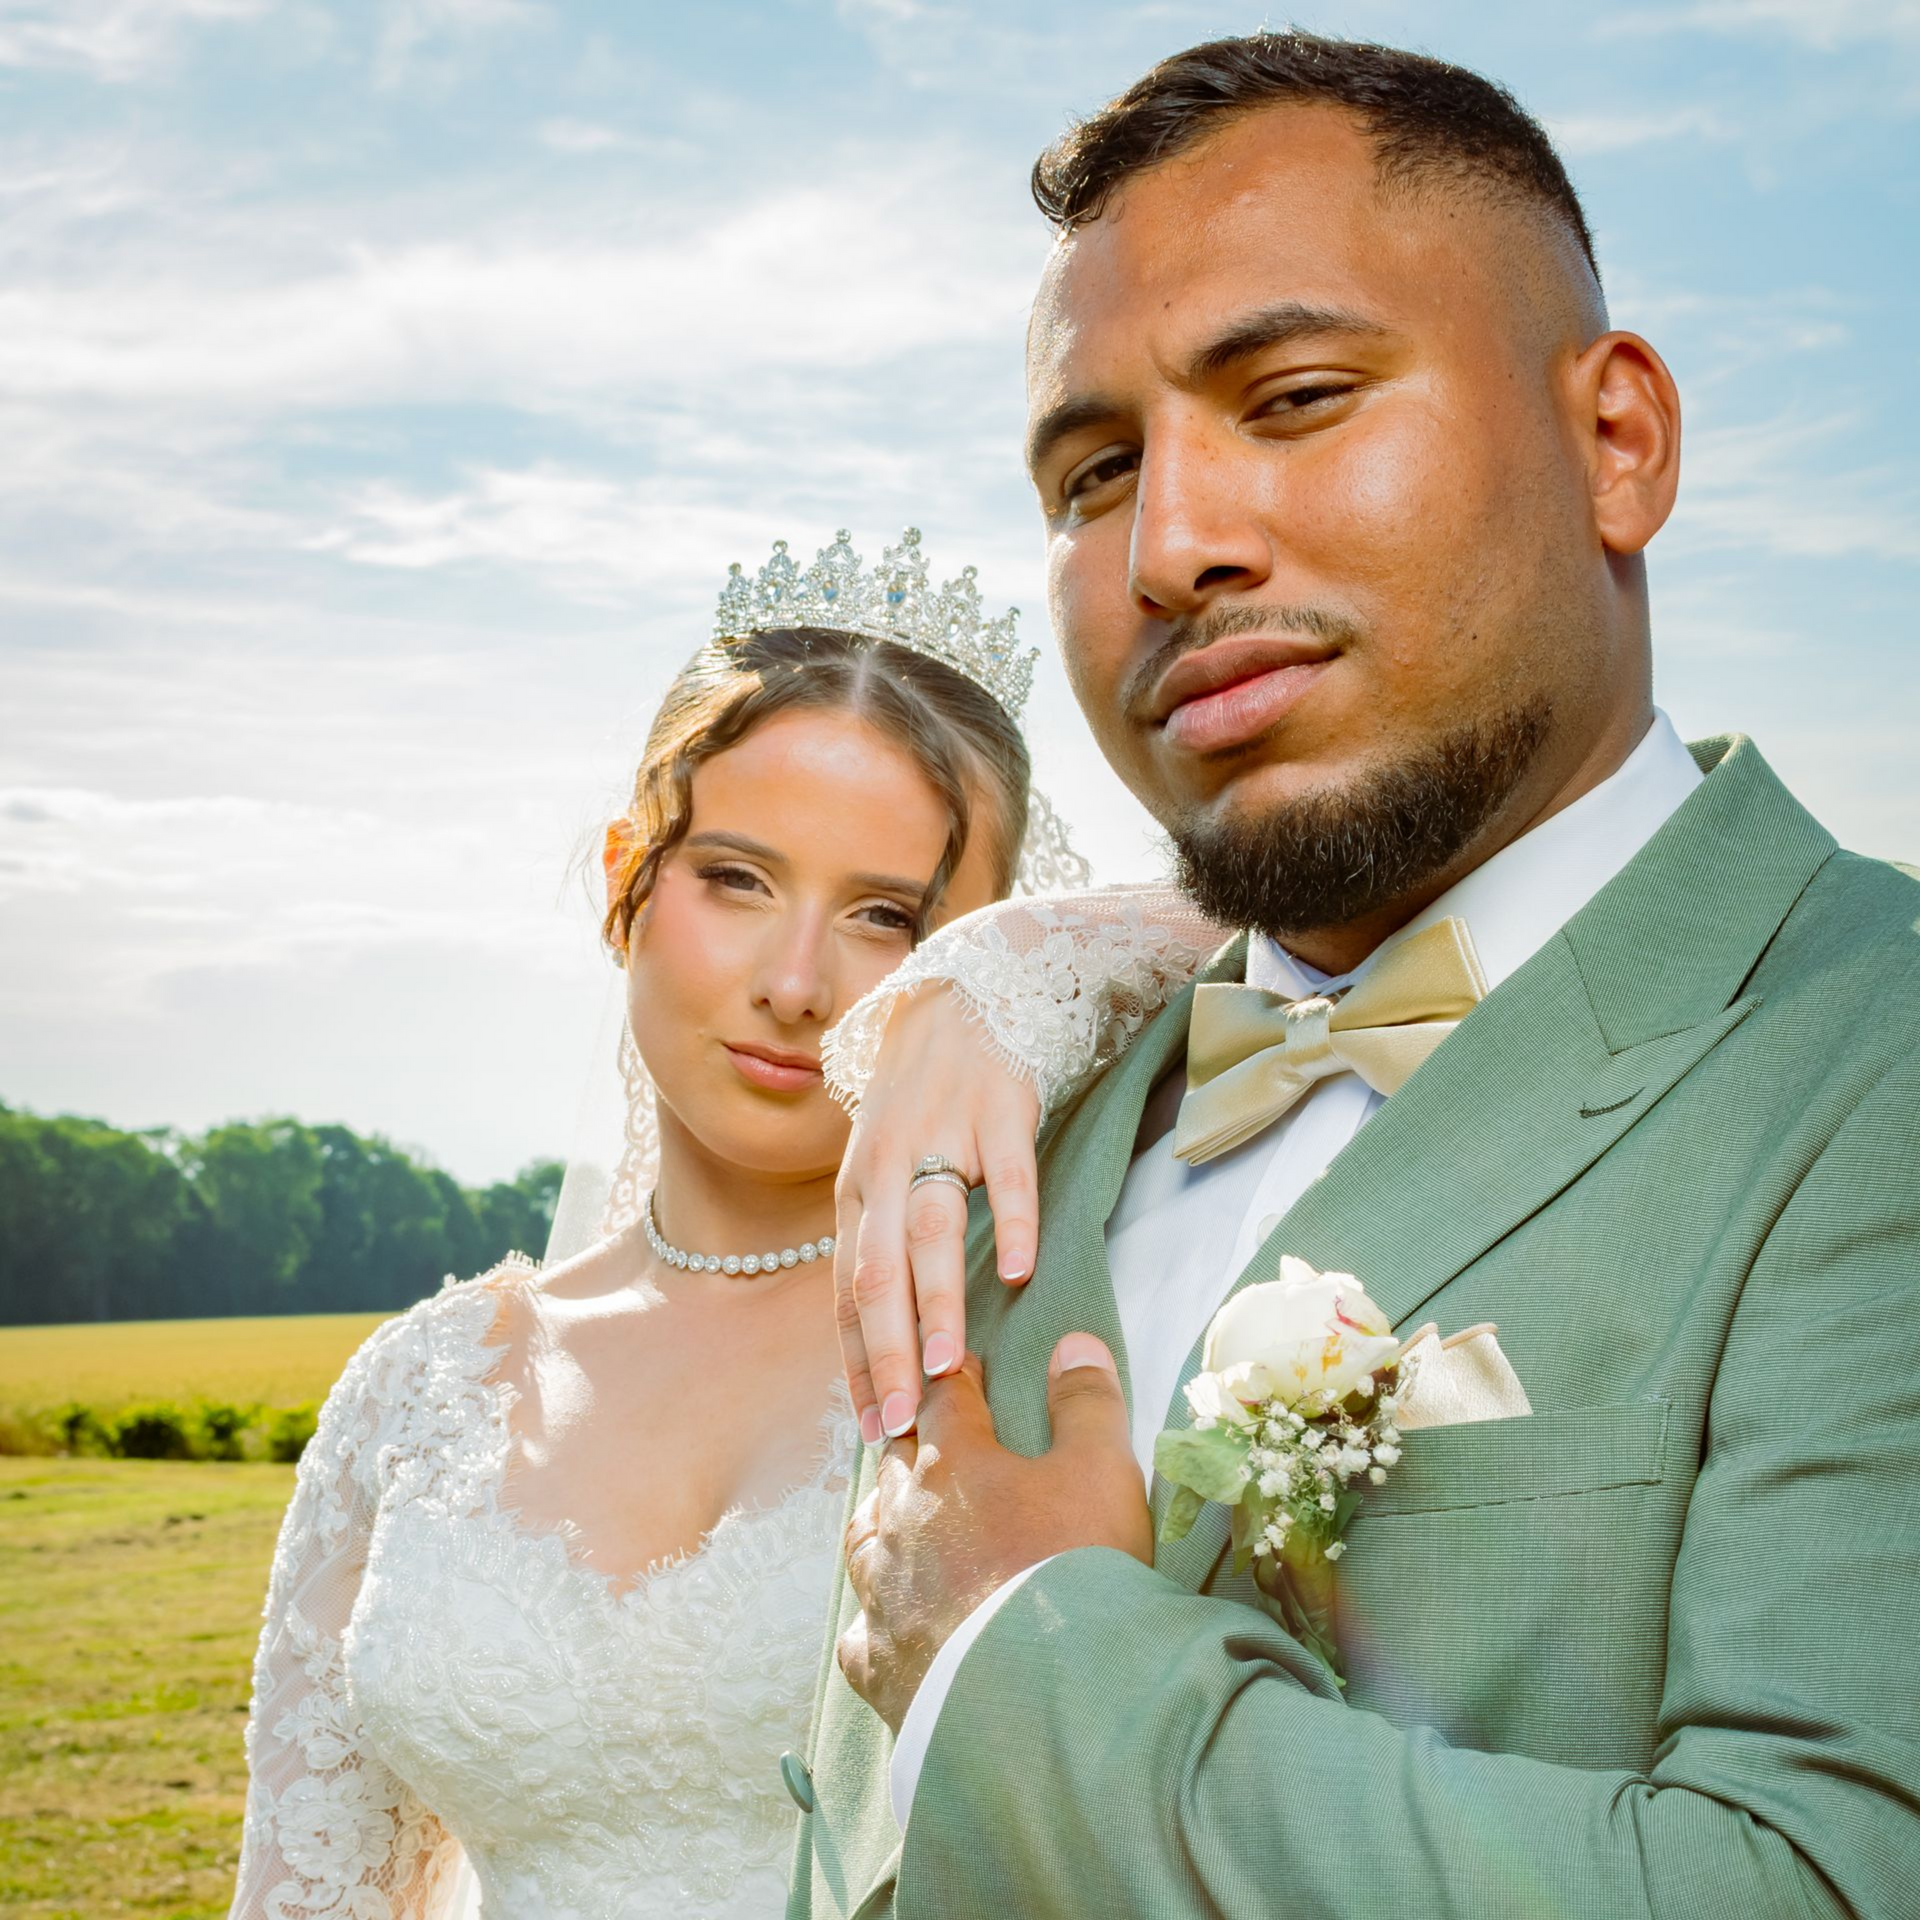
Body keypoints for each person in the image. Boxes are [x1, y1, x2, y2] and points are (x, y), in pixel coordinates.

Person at [792, 32, 1920, 1920]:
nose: (1170, 547)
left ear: (1615, 442)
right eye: (1091, 476)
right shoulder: (1026, 1075)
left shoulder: (1868, 1058)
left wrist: (1018, 1650)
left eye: (1297, 395)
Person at [224, 529, 1191, 1920]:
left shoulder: (1028, 1327)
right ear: (627, 879)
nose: (797, 984)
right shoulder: (415, 1390)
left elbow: (1280, 929)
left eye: (890, 919)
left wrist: (1014, 972)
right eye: (735, 879)